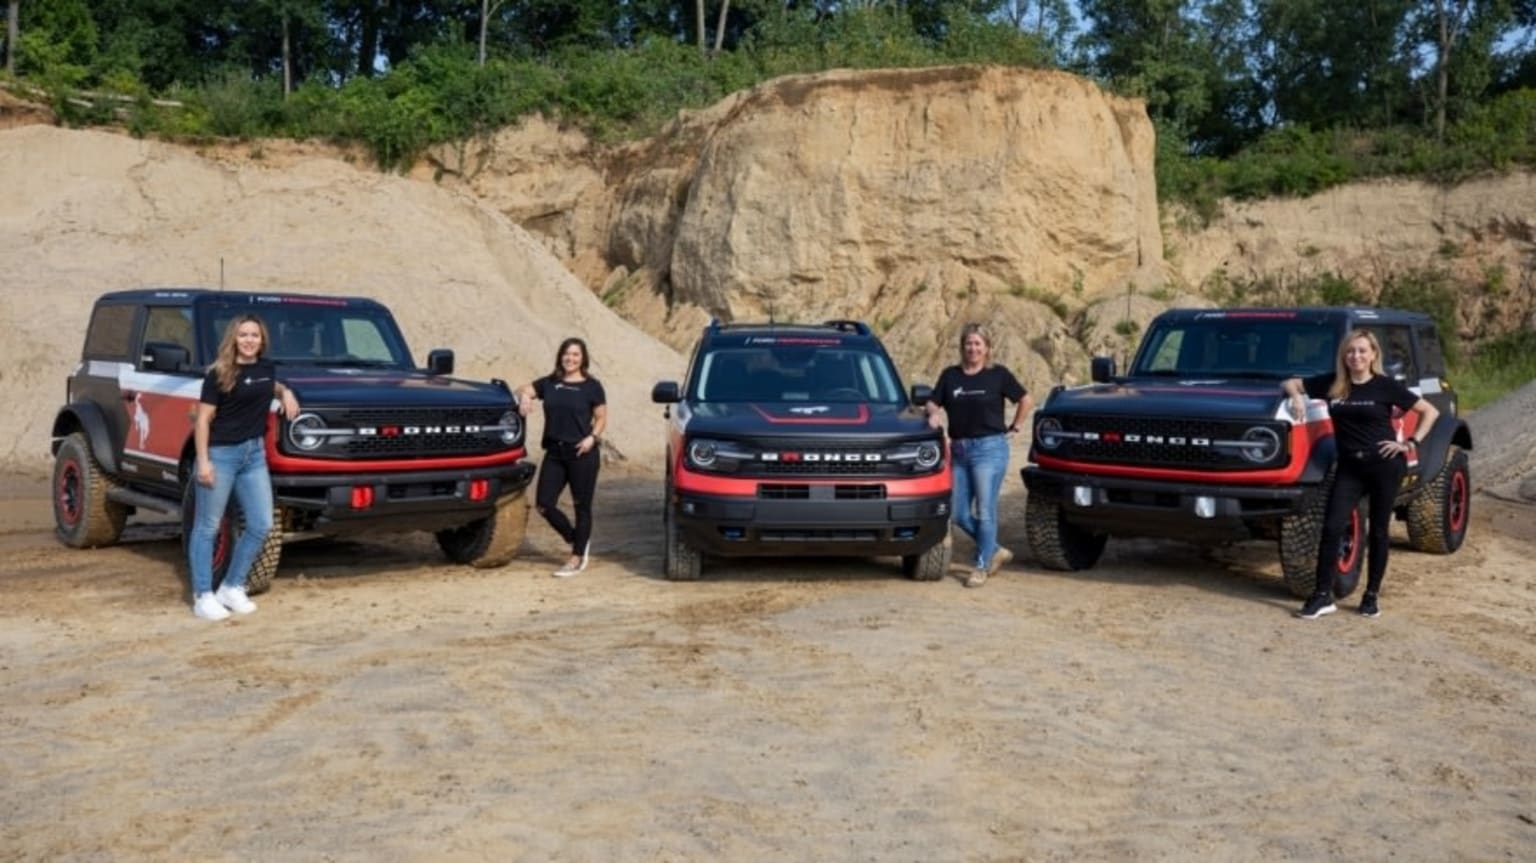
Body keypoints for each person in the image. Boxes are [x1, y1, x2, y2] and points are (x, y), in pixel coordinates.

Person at [1283, 329, 1439, 620]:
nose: (1356, 356)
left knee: (1379, 531)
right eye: (1351, 351)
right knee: (1331, 528)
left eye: (1362, 351)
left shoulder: (1385, 386)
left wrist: (1409, 443)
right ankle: (1322, 595)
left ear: (1373, 355)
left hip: (1384, 465)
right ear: (1344, 355)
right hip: (1349, 467)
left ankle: (1371, 596)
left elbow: (1429, 411)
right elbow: (1290, 382)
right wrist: (1297, 398)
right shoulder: (1333, 383)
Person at [189, 314, 300, 621]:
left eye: (254, 335)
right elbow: (202, 420)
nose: (249, 340)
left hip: (254, 457)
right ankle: (203, 595)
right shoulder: (219, 374)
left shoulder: (266, 368)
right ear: (233, 339)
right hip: (221, 455)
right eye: (243, 335)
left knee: (261, 524)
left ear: (262, 339)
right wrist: (204, 462)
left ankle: (232, 586)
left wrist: (286, 392)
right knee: (207, 527)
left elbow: (270, 385)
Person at [926, 323, 1032, 588]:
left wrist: (1016, 427)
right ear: (962, 347)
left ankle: (982, 566)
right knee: (958, 513)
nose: (972, 348)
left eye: (978, 344)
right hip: (959, 450)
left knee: (985, 511)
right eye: (968, 344)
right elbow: (932, 400)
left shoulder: (997, 375)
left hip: (989, 449)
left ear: (987, 348)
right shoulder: (950, 375)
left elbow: (1026, 399)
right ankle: (993, 548)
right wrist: (934, 412)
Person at [518, 337, 608, 577]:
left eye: (576, 355)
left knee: (582, 507)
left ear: (583, 359)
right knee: (544, 504)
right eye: (567, 354)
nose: (571, 358)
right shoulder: (551, 382)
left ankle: (577, 556)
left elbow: (601, 417)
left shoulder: (592, 386)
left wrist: (592, 438)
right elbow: (525, 388)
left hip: (582, 453)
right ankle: (576, 538)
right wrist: (525, 397)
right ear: (561, 357)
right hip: (555, 453)